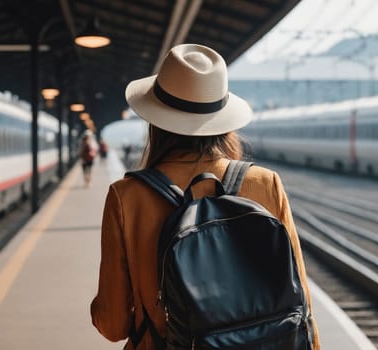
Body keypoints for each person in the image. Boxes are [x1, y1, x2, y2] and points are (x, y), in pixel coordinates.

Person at [91, 44, 320, 349]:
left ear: (156, 122)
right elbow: (300, 299)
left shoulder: (127, 196)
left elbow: (113, 324)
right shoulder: (265, 183)